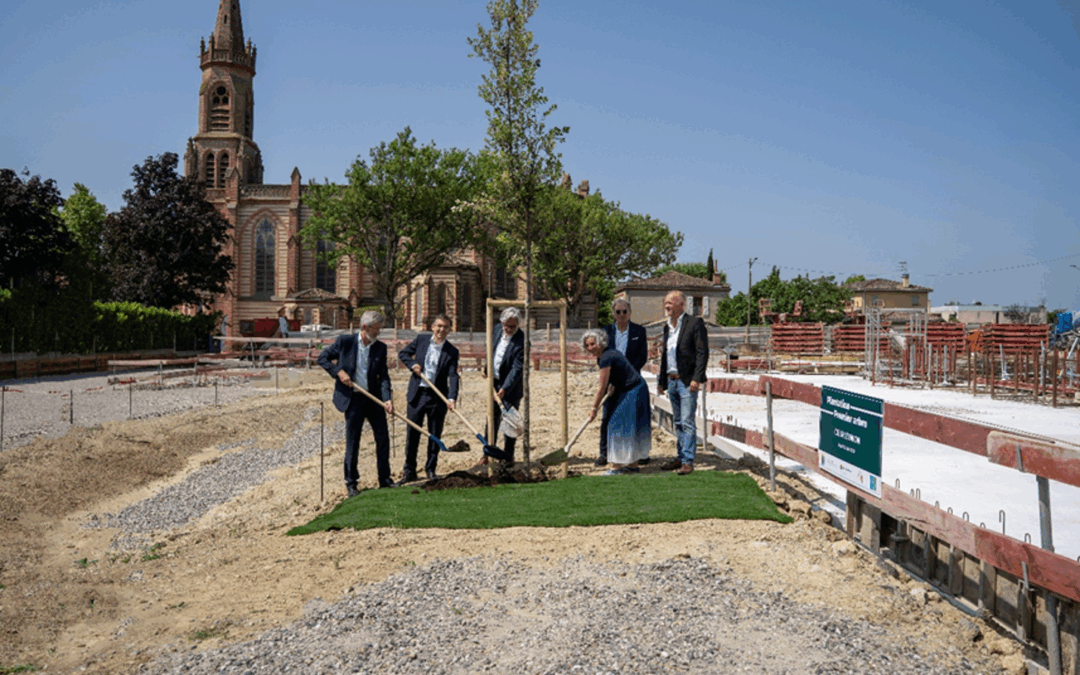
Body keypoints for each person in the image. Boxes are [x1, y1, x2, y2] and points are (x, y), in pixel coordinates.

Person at [317, 310, 396, 496]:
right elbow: (322, 358)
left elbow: (383, 376)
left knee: (383, 438)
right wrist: (338, 372)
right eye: (376, 329)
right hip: (353, 399)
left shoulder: (380, 348)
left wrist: (387, 399)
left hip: (373, 398)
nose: (378, 332)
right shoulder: (345, 342)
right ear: (364, 328)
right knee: (354, 442)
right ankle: (351, 482)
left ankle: (385, 479)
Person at [398, 314, 460, 482]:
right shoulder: (421, 340)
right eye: (439, 326)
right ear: (432, 327)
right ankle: (409, 471)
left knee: (434, 434)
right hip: (417, 394)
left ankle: (430, 469)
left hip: (437, 397)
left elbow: (453, 376)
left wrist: (452, 398)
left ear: (449, 330)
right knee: (413, 434)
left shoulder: (452, 351)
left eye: (445, 327)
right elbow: (403, 354)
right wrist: (413, 365)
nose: (441, 330)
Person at [583, 329, 651, 475]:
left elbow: (601, 387)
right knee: (627, 426)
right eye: (587, 345)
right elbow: (615, 375)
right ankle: (632, 465)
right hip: (630, 388)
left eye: (593, 344)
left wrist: (594, 408)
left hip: (634, 390)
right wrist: (613, 385)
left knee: (616, 425)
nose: (590, 348)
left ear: (600, 342)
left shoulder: (606, 356)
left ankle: (617, 467)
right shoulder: (604, 355)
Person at [657, 290, 708, 475]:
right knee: (677, 421)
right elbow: (665, 356)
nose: (666, 305)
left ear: (681, 304)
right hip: (671, 381)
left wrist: (697, 378)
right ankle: (680, 457)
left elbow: (702, 353)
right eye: (665, 302)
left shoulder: (695, 323)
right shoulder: (667, 327)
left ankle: (687, 460)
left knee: (687, 421)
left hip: (687, 381)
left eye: (670, 302)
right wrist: (661, 381)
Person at [597, 298, 648, 467]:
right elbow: (601, 357)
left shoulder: (639, 331)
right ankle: (604, 453)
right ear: (613, 313)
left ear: (630, 313)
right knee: (608, 417)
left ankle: (640, 453)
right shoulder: (605, 332)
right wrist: (612, 379)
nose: (621, 315)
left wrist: (626, 374)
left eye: (624, 311)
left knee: (635, 418)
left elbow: (642, 357)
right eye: (618, 312)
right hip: (611, 384)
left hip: (631, 383)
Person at [483, 306, 524, 465]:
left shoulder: (521, 340)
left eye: (512, 326)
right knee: (491, 419)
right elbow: (490, 349)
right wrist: (487, 368)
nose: (508, 329)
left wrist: (504, 389)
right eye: (506, 325)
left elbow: (516, 368)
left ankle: (508, 457)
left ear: (518, 324)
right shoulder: (497, 330)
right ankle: (487, 453)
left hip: (511, 387)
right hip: (494, 381)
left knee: (510, 422)